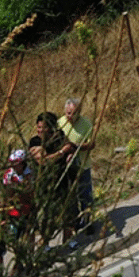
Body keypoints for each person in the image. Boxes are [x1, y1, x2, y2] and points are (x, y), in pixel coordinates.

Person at [57, 97, 95, 234]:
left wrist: (76, 147)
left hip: (82, 166)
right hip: (66, 168)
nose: (70, 116)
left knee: (86, 196)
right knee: (71, 198)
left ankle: (88, 222)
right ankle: (76, 221)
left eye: (73, 113)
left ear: (79, 112)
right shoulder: (60, 123)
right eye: (68, 113)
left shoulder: (86, 125)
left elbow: (92, 144)